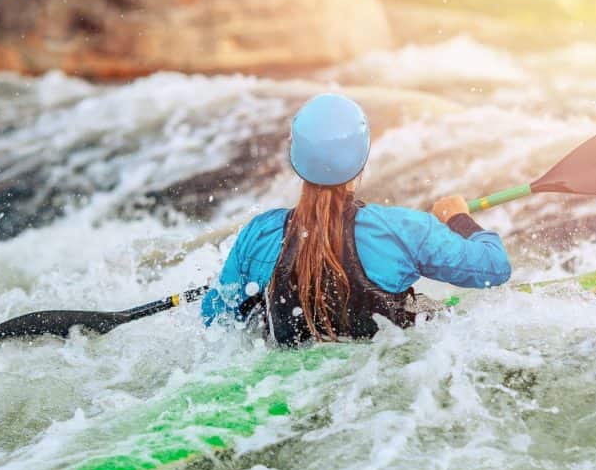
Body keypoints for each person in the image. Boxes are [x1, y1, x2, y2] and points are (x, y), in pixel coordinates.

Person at [201, 93, 511, 345]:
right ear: (361, 159)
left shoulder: (258, 235)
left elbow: (215, 319)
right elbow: (494, 267)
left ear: (296, 159)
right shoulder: (401, 229)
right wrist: (458, 219)